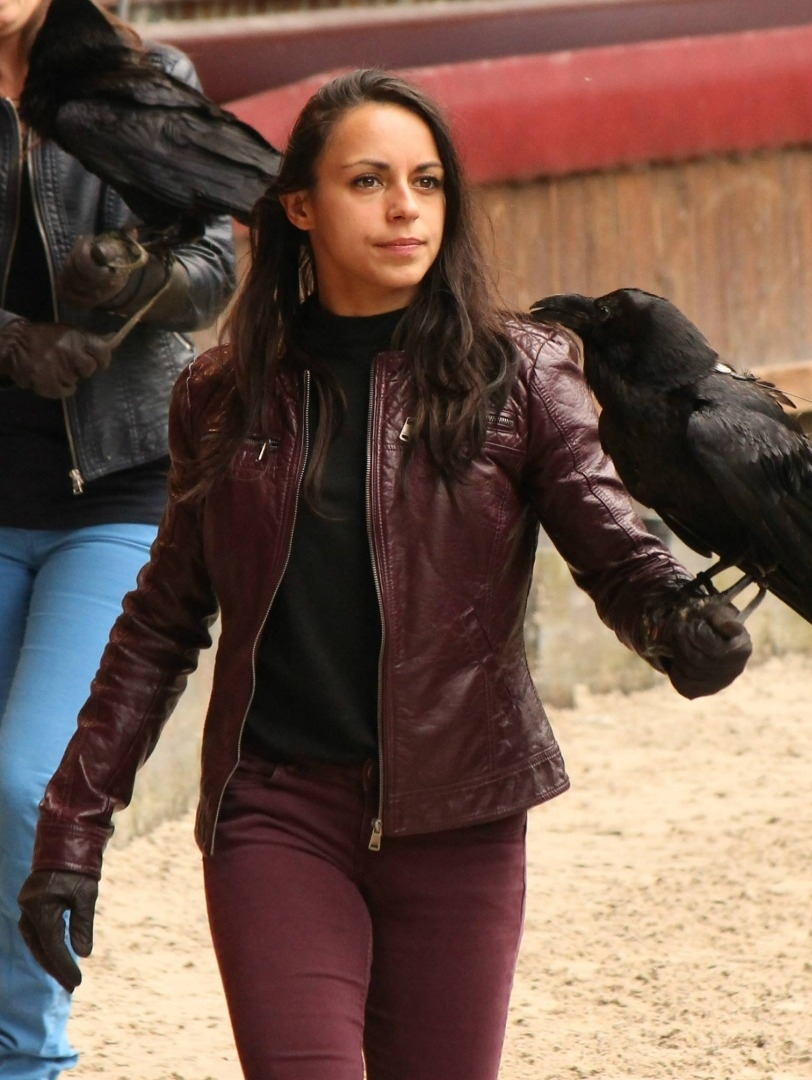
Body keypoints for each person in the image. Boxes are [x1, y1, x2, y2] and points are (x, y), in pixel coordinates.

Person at [16, 68, 750, 1080]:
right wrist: (71, 830)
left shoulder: (523, 372)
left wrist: (675, 620)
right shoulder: (221, 394)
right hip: (274, 814)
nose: (406, 207)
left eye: (427, 181)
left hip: (463, 820)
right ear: (299, 207)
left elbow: (615, 547)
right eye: (369, 181)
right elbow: (159, 624)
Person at [0, 0, 236, 1074]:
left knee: (27, 783)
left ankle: (26, 1057)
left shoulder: (146, 79)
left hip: (119, 487)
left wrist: (138, 279)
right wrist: (10, 339)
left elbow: (215, 264)